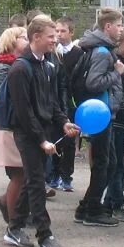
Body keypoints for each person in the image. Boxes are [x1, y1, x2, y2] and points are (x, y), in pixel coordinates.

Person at [3, 15, 81, 247]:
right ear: (35, 37)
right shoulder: (19, 69)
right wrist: (41, 140)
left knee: (30, 179)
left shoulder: (47, 64)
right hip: (27, 133)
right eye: (50, 37)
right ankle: (44, 236)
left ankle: (14, 228)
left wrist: (64, 122)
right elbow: (24, 112)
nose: (54, 41)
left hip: (42, 130)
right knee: (37, 182)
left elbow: (52, 102)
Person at [72, 8, 124, 227]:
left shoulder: (99, 48)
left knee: (109, 162)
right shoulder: (102, 52)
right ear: (108, 27)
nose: (121, 29)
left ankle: (87, 204)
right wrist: (116, 73)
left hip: (101, 112)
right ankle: (92, 209)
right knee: (105, 162)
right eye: (119, 25)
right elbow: (93, 83)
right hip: (99, 113)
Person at [0, 26, 29, 225]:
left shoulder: (17, 64)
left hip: (13, 124)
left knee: (22, 175)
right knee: (18, 175)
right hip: (10, 125)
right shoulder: (6, 67)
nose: (27, 39)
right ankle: (14, 221)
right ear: (12, 42)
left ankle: (7, 202)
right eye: (23, 37)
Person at [103, 26, 124, 221]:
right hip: (118, 117)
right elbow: (119, 91)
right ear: (119, 44)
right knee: (118, 162)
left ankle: (111, 200)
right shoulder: (117, 65)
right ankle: (116, 203)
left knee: (122, 162)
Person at [49, 16, 80, 191]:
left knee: (69, 141)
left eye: (63, 31)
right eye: (57, 31)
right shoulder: (53, 52)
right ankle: (54, 173)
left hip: (70, 101)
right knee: (55, 139)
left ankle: (67, 176)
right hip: (56, 102)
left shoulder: (78, 53)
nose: (59, 34)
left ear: (71, 32)